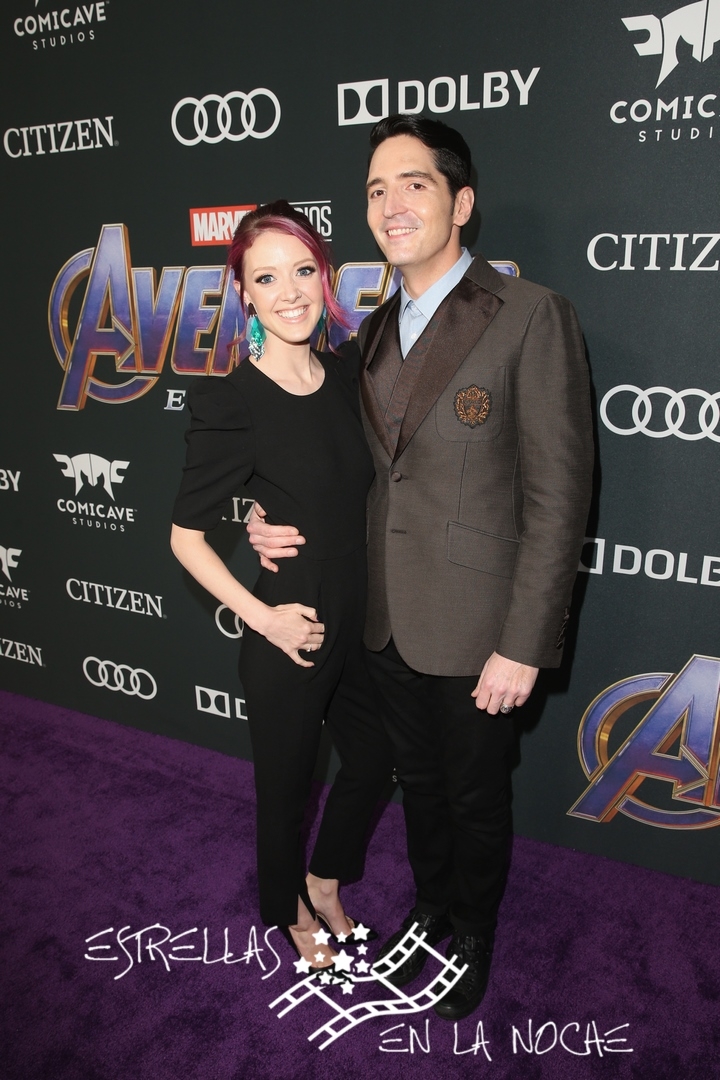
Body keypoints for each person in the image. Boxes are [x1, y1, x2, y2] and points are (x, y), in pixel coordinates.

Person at [247, 116, 594, 1017]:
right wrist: (258, 516)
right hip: (384, 618)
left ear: (461, 203)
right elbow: (330, 466)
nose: (392, 204)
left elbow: (559, 497)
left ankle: (471, 932)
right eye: (376, 189)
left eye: (415, 184)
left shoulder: (531, 315)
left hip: (480, 629)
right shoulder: (365, 335)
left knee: (474, 795)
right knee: (422, 787)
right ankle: (434, 907)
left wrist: (525, 643)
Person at [171, 201, 392, 971]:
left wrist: (270, 512)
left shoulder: (349, 373)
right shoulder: (231, 401)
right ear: (244, 294)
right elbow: (185, 538)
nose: (289, 292)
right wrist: (262, 618)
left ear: (324, 276)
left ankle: (324, 880)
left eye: (302, 271)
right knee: (287, 789)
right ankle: (288, 909)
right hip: (288, 629)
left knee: (374, 758)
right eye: (266, 278)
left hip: (361, 618)